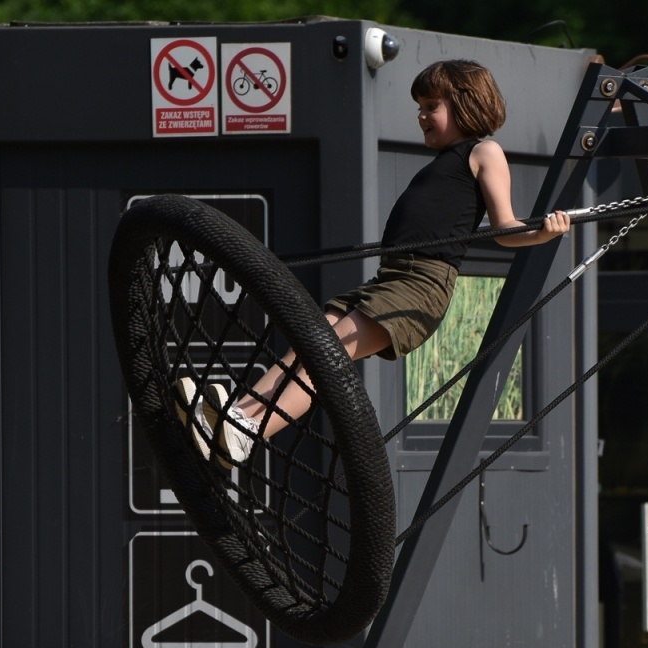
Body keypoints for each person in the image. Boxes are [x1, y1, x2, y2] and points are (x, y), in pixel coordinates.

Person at [180, 58, 571, 467]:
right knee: (309, 343)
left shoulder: (483, 151)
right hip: (391, 278)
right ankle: (235, 415)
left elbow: (504, 228)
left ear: (464, 103)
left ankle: (249, 432)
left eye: (431, 106)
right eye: (419, 107)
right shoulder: (443, 162)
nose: (421, 116)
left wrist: (542, 233)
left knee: (327, 355)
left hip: (420, 286)